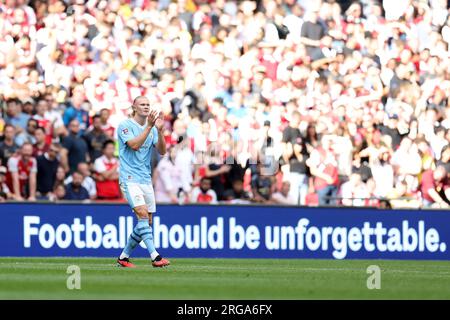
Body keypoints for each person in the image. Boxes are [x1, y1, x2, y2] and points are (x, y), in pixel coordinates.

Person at [116, 96, 170, 268]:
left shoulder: (153, 128)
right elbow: (133, 145)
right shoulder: (125, 126)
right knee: (142, 213)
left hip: (145, 178)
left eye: (148, 104)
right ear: (134, 107)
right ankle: (155, 257)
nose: (146, 107)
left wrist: (160, 132)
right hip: (129, 178)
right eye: (142, 104)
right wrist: (149, 127)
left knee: (146, 222)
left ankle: (123, 258)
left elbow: (162, 151)